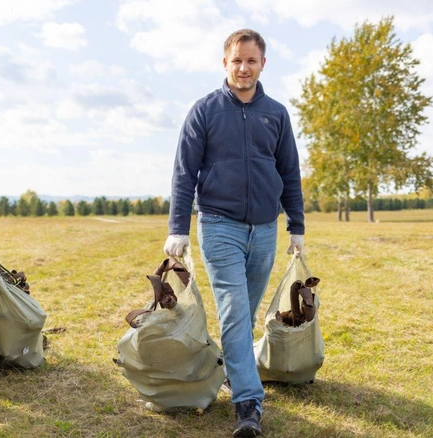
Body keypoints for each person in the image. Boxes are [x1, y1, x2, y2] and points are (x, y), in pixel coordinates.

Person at [164, 29, 305, 437]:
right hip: (218, 225)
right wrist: (178, 228)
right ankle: (248, 404)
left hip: (264, 229)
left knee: (243, 314)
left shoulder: (276, 113)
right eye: (237, 60)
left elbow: (289, 172)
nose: (244, 68)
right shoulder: (204, 111)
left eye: (252, 61)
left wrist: (296, 225)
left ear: (263, 64)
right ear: (224, 63)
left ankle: (231, 366)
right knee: (235, 310)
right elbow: (184, 173)